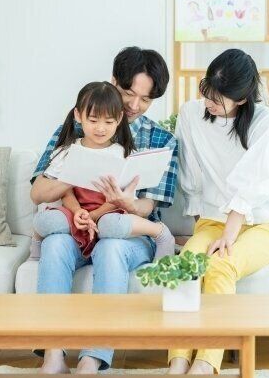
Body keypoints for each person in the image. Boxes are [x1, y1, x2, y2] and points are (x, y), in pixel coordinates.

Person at [30, 47, 178, 374]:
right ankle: (53, 353)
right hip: (78, 228)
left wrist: (125, 203)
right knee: (56, 242)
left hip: (125, 232)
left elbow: (147, 207)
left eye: (146, 99)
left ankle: (94, 357)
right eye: (128, 93)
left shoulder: (162, 139)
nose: (134, 105)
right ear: (113, 82)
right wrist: (73, 176)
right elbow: (39, 190)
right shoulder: (79, 126)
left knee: (110, 247)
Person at [168, 49, 269, 375]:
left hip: (267, 224)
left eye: (219, 98)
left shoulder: (264, 121)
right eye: (207, 91)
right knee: (185, 266)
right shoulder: (191, 114)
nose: (209, 102)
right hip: (213, 221)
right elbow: (190, 177)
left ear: (242, 98)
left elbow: (251, 182)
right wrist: (201, 231)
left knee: (221, 265)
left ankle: (205, 364)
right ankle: (177, 362)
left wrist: (228, 235)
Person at [32, 81, 175, 261]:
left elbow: (118, 198)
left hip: (108, 215)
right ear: (78, 115)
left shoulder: (123, 154)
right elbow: (65, 193)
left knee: (109, 225)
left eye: (108, 122)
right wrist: (78, 211)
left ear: (119, 119)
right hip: (76, 213)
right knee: (45, 221)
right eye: (93, 121)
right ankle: (35, 247)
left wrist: (94, 215)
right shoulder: (66, 151)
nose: (100, 128)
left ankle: (160, 232)